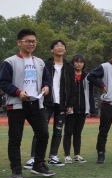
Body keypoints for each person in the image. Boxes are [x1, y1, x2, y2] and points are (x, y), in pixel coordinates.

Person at [0, 28, 55, 178]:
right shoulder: (9, 62)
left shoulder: (39, 62)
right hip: (17, 104)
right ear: (19, 42)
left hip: (36, 103)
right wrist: (18, 92)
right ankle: (16, 168)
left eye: (33, 41)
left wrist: (46, 87)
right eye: (28, 41)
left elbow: (47, 79)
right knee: (15, 137)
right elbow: (3, 83)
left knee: (43, 134)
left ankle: (38, 165)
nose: (31, 44)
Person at [24, 39, 75, 168]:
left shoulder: (69, 67)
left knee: (58, 131)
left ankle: (53, 156)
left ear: (65, 49)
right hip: (46, 102)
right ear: (52, 50)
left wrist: (70, 103)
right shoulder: (44, 64)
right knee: (40, 130)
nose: (60, 48)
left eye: (62, 46)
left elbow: (72, 86)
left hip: (62, 103)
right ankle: (34, 158)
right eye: (57, 46)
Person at [63, 54, 96, 163]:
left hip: (82, 108)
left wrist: (92, 109)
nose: (79, 64)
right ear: (73, 63)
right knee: (68, 132)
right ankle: (67, 155)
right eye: (77, 62)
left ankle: (77, 155)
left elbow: (91, 93)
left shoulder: (88, 77)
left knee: (78, 133)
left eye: (81, 62)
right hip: (70, 109)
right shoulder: (68, 75)